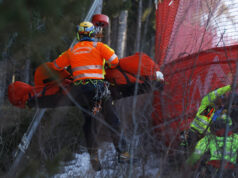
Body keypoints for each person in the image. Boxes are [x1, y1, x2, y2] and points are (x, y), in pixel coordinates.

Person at [51, 21, 128, 169]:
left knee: (89, 123)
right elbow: (115, 61)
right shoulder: (99, 47)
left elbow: (55, 66)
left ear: (79, 35)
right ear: (93, 34)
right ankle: (123, 155)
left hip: (80, 92)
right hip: (99, 89)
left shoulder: (71, 51)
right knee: (113, 120)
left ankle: (94, 158)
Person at [181, 85, 232, 149]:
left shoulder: (215, 110)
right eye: (221, 99)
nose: (222, 102)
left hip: (202, 138)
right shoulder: (207, 102)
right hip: (192, 133)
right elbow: (218, 92)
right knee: (182, 151)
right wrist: (230, 87)